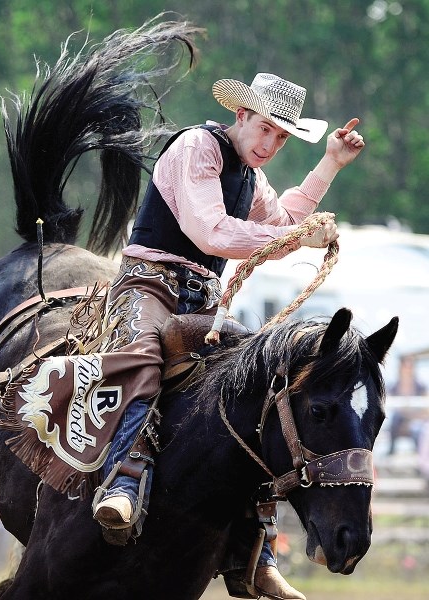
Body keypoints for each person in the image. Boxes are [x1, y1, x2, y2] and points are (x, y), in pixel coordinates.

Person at [93, 72, 365, 599]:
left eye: (281, 138)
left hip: (201, 301)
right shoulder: (198, 147)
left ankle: (254, 549)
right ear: (241, 116)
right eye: (266, 129)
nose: (270, 144)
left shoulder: (248, 173)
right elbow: (211, 232)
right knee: (143, 359)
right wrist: (295, 236)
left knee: (257, 396)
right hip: (148, 286)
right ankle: (123, 482)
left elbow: (282, 218)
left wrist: (329, 162)